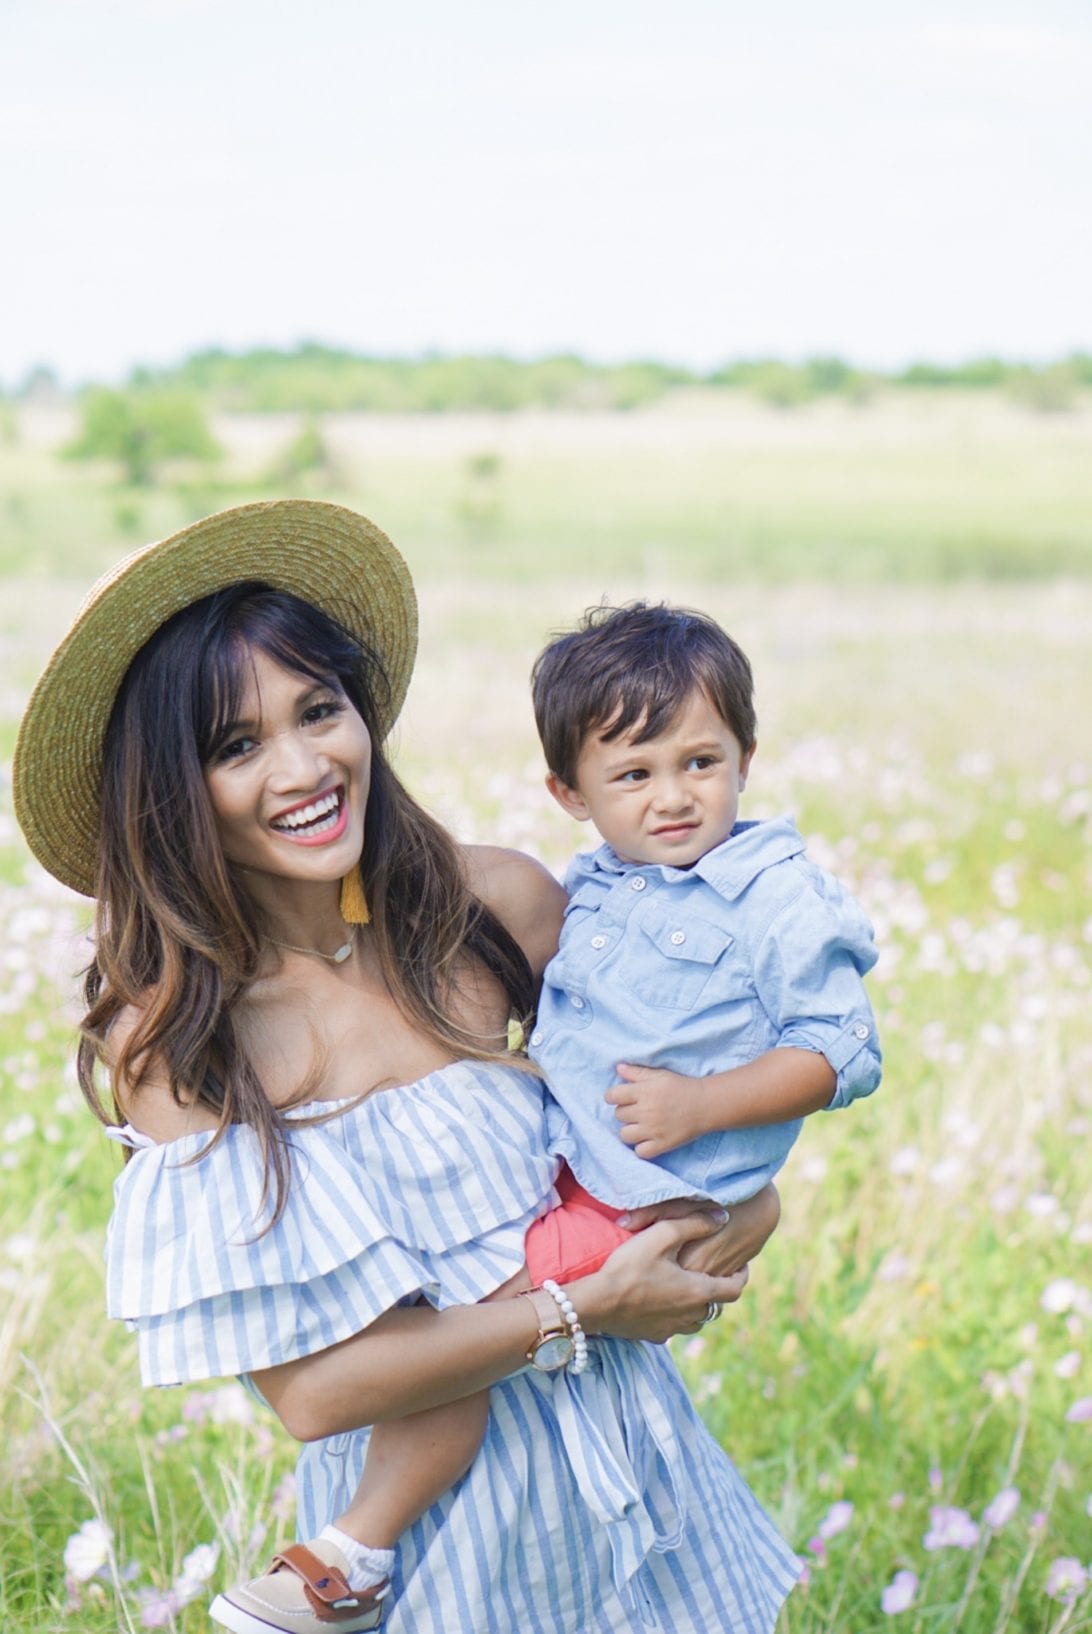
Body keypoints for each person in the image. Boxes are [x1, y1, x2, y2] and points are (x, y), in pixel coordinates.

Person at [13, 501, 800, 1634]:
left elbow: (684, 1080)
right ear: (173, 789)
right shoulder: (187, 1042)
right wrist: (586, 1303)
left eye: (319, 709)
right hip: (441, 1550)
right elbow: (319, 1389)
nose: (303, 766)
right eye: (237, 745)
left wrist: (740, 1202)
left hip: (648, 1495)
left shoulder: (500, 910)